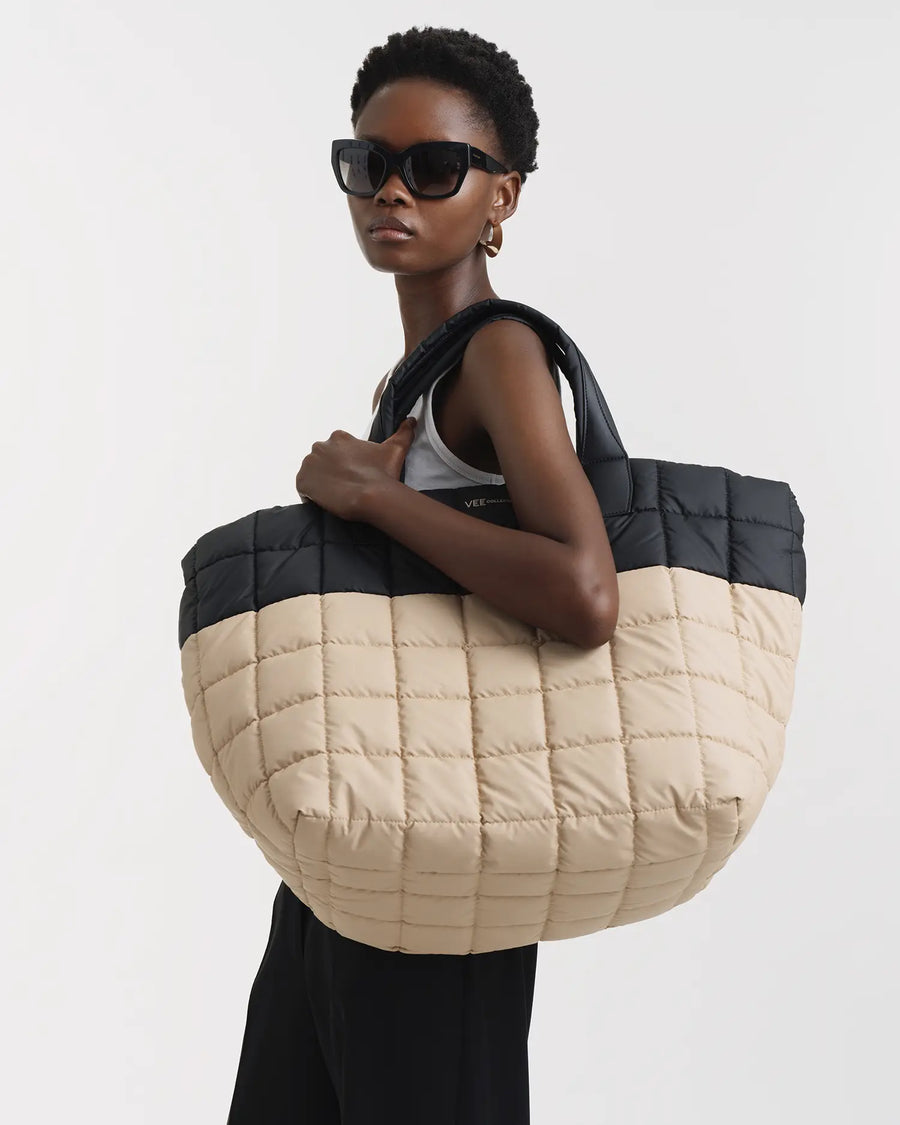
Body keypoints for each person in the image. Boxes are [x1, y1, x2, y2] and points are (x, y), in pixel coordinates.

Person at [226, 24, 618, 1125]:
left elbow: (587, 595)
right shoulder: (413, 381)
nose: (391, 191)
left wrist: (374, 498)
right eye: (367, 164)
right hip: (358, 849)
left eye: (435, 166)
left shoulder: (500, 353)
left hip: (448, 863)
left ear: (504, 198)